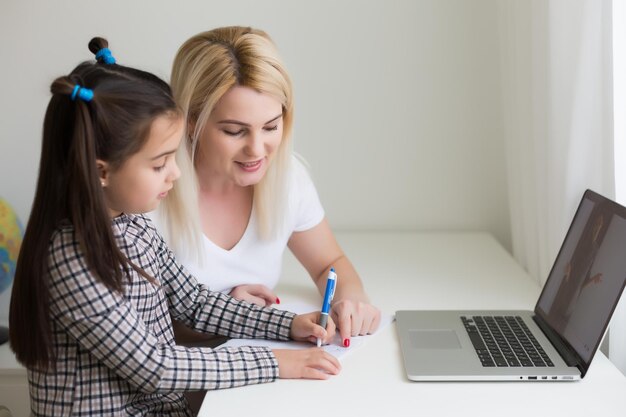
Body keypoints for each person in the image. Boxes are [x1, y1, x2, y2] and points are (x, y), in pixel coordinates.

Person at [8, 38, 340, 416]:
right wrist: (276, 362)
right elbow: (154, 365)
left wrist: (289, 325)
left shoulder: (134, 226)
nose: (177, 173)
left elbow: (195, 303)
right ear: (102, 171)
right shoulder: (71, 260)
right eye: (160, 163)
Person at [153, 26, 381, 348]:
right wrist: (231, 313)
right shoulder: (148, 196)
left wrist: (351, 301)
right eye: (235, 131)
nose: (257, 150)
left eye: (271, 126)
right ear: (191, 121)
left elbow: (329, 263)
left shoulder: (287, 179)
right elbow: (130, 328)